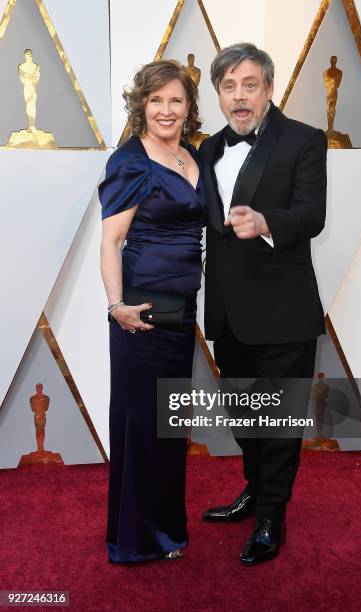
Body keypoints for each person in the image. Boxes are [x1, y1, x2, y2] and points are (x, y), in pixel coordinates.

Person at [199, 43, 327, 565]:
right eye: (229, 87)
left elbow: (312, 214)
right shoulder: (207, 148)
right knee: (244, 414)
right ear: (219, 95)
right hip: (228, 311)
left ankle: (273, 515)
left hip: (282, 311)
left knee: (278, 422)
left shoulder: (304, 140)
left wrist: (267, 221)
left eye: (249, 84)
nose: (239, 96)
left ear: (269, 89)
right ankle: (255, 490)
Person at [98, 60, 205, 563]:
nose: (166, 109)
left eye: (175, 100)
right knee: (140, 421)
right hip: (140, 312)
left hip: (181, 312)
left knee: (168, 424)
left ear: (188, 107)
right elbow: (112, 239)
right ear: (141, 104)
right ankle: (135, 537)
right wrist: (116, 305)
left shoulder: (191, 155)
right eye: (156, 99)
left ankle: (166, 527)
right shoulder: (131, 161)